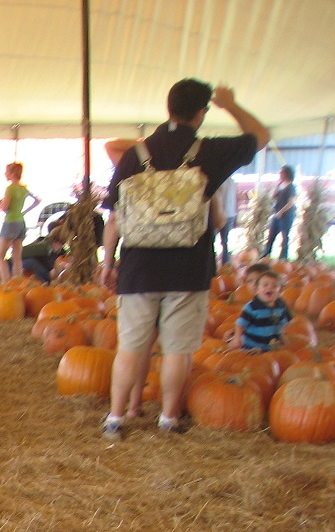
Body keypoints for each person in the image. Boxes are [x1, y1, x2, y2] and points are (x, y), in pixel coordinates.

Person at [99, 80, 268, 440]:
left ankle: (116, 419)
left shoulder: (136, 154)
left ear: (168, 108)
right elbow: (260, 135)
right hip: (189, 269)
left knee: (130, 347)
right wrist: (231, 104)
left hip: (139, 268)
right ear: (201, 112)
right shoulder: (210, 152)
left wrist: (108, 262)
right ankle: (168, 419)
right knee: (178, 350)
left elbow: (113, 217)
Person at [0, 162, 40, 281]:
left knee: (0, 256)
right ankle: (18, 282)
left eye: (7, 171)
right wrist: (24, 211)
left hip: (10, 222)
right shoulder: (23, 189)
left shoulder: (10, 188)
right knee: (17, 256)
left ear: (12, 173)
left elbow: (4, 208)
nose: (5, 174)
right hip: (21, 222)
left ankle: (6, 283)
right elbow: (37, 200)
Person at [233, 262, 293, 351]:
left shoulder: (280, 305)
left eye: (273, 285)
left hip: (272, 347)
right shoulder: (251, 306)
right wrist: (236, 337)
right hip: (252, 348)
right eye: (250, 281)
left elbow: (283, 324)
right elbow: (242, 323)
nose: (254, 284)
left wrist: (283, 337)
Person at [264, 166, 297, 260]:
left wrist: (281, 212)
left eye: (281, 172)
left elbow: (291, 203)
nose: (280, 174)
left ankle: (283, 258)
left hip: (286, 215)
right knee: (271, 235)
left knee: (284, 237)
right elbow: (275, 197)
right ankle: (266, 255)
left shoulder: (291, 187)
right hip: (276, 214)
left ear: (287, 174)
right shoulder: (280, 185)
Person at [212, 179, 238, 267]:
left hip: (219, 214)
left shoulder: (218, 182)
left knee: (212, 241)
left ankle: (214, 263)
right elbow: (236, 199)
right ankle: (225, 263)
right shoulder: (232, 182)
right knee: (225, 241)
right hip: (230, 214)